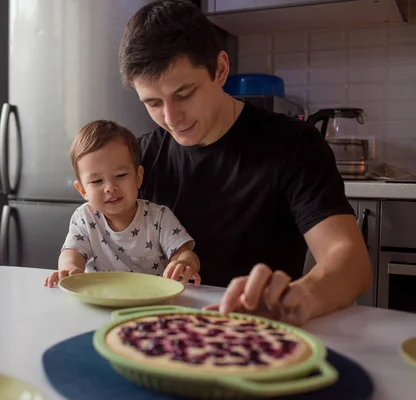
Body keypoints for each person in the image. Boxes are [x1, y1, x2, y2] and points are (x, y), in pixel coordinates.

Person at [118, 0, 371, 326]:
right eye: (153, 103)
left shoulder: (293, 145)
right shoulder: (141, 158)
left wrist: (300, 298)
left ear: (221, 69)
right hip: (157, 331)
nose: (171, 118)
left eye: (184, 94)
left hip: (256, 334)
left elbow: (350, 262)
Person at [44, 120, 201, 288]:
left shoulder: (159, 217)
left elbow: (185, 254)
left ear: (138, 177)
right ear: (82, 190)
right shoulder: (84, 218)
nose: (110, 188)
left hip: (151, 301)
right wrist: (70, 269)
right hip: (100, 298)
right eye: (97, 181)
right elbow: (72, 252)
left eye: (120, 175)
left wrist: (184, 263)